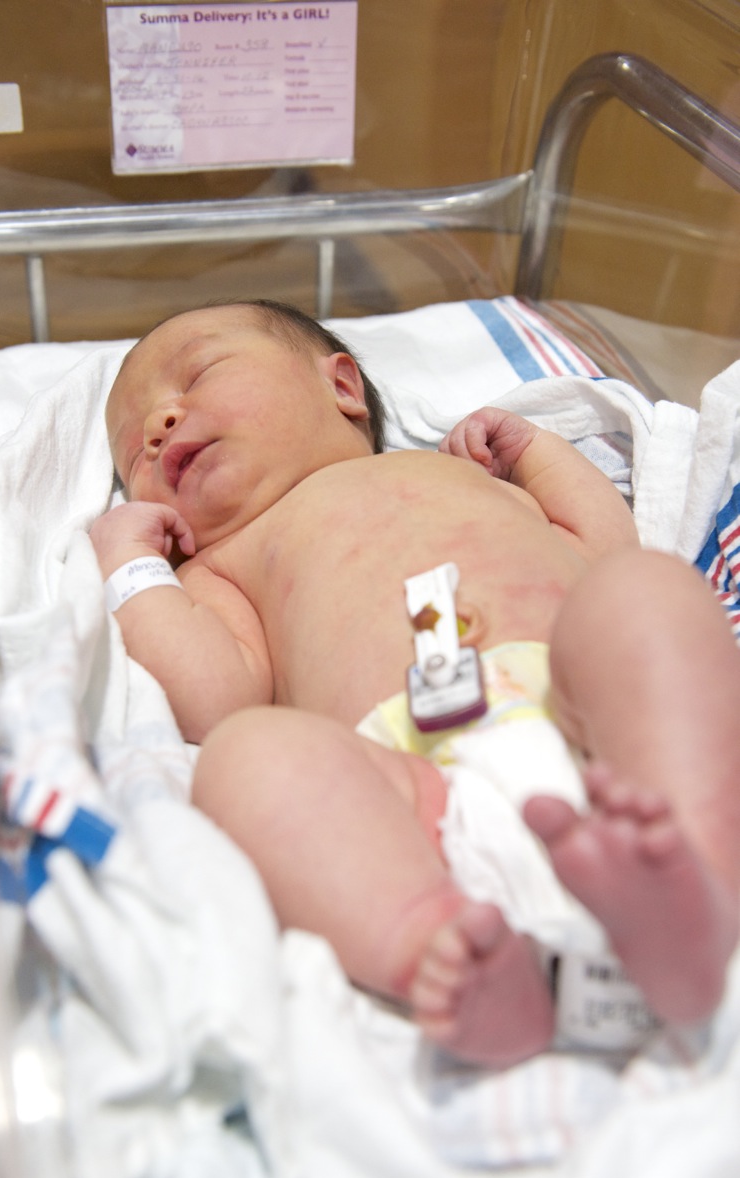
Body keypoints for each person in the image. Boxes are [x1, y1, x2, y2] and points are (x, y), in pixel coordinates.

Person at [89, 298, 740, 1067]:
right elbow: (212, 697)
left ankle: (694, 872)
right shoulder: (221, 565)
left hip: (593, 725)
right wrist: (134, 568)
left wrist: (534, 453)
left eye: (196, 375)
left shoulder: (454, 471)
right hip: (416, 791)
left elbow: (599, 544)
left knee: (644, 589)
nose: (160, 424)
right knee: (246, 757)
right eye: (134, 449)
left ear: (341, 387)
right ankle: (441, 945)